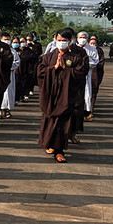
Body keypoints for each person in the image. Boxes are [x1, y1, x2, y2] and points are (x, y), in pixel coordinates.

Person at [37, 28, 88, 164]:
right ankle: (49, 144)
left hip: (67, 95)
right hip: (51, 95)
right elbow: (40, 72)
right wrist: (53, 68)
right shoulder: (49, 56)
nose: (61, 43)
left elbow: (82, 71)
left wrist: (66, 69)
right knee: (49, 119)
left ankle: (59, 151)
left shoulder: (78, 55)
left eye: (64, 41)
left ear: (70, 41)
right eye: (58, 40)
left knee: (62, 123)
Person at [76, 31, 98, 122]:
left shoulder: (92, 49)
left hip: (86, 74)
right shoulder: (73, 49)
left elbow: (95, 62)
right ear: (77, 39)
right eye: (80, 37)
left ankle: (87, 112)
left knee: (87, 94)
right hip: (75, 74)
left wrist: (85, 62)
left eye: (84, 37)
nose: (82, 39)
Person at [0, 33, 20, 119]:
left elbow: (17, 62)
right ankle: (0, 110)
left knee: (9, 92)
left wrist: (8, 66)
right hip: (0, 74)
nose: (6, 41)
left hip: (10, 74)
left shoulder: (13, 51)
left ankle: (7, 110)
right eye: (5, 39)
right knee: (1, 93)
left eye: (8, 39)